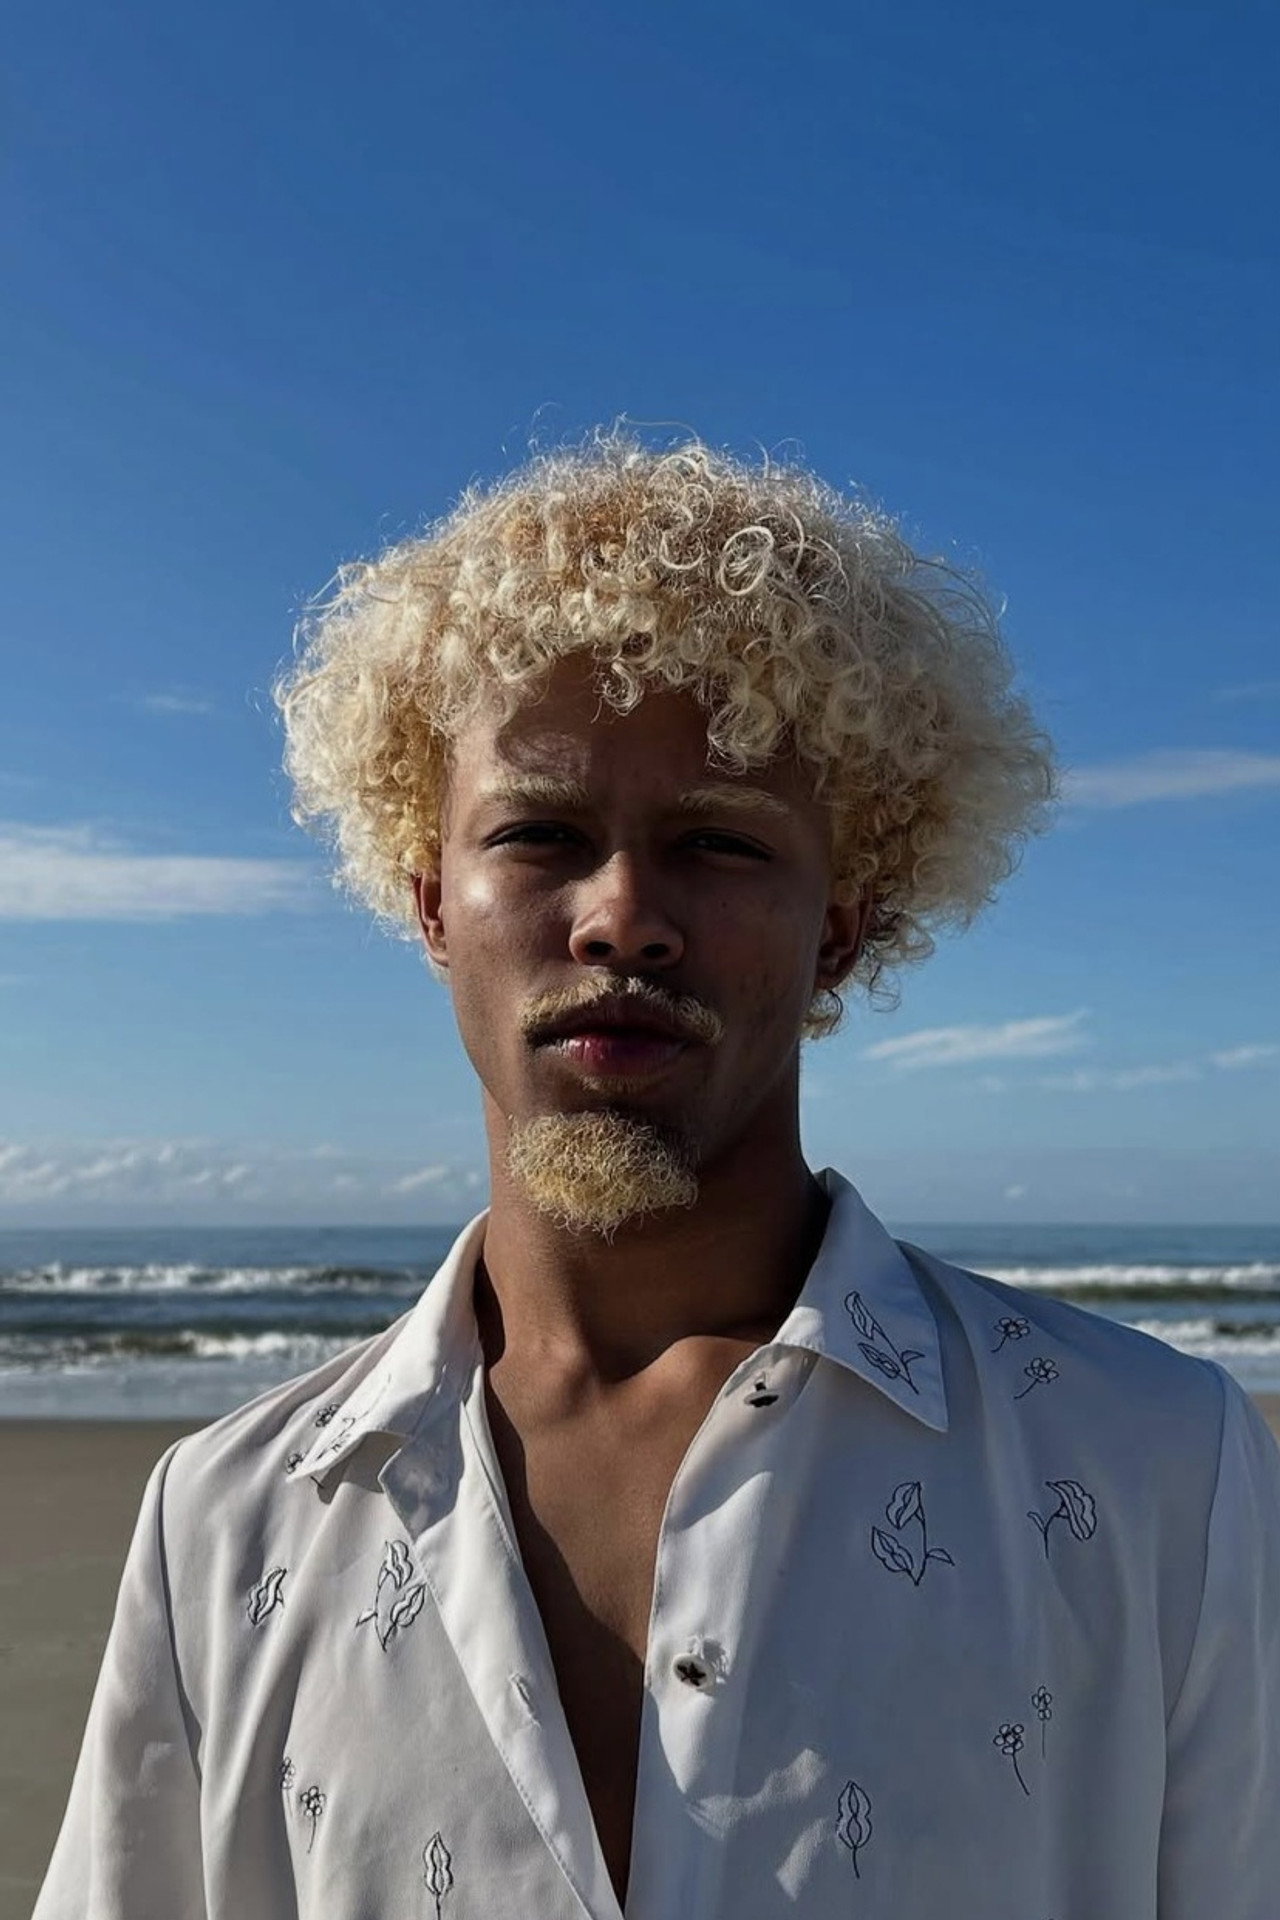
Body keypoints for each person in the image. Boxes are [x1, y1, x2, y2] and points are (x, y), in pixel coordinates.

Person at [35, 434, 1280, 1919]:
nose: (623, 915)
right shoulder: (226, 1522)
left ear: (845, 926)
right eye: (540, 832)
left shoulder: (1158, 1469)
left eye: (719, 842)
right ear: (430, 903)